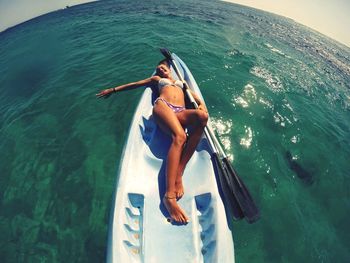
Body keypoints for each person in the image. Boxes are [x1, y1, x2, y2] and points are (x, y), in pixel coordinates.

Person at [96, 59, 208, 224]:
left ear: (169, 69)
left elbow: (197, 99)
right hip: (164, 107)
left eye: (163, 66)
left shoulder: (181, 82)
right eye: (158, 68)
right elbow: (134, 84)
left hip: (181, 112)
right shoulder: (157, 80)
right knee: (180, 137)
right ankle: (169, 197)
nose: (160, 69)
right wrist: (113, 90)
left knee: (202, 117)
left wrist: (201, 106)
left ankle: (179, 172)